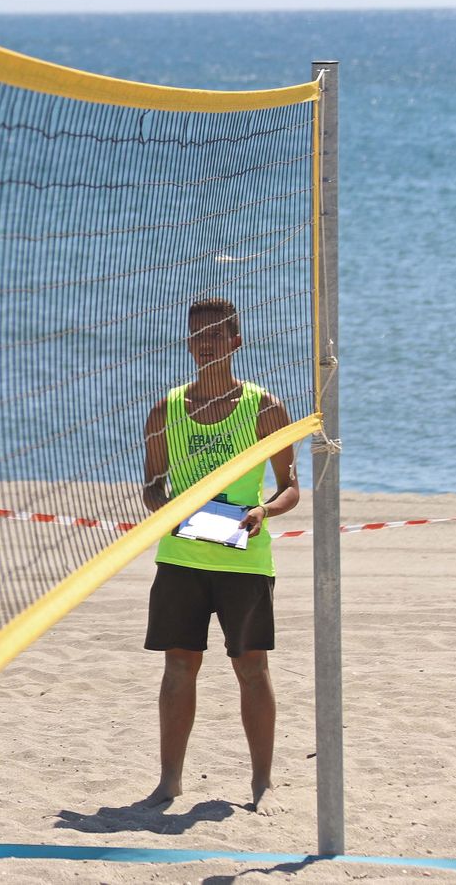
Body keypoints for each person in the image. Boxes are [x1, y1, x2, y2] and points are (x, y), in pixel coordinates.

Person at [140, 297, 298, 814]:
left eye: (214, 335)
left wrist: (264, 511)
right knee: (178, 668)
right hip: (181, 557)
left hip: (243, 559)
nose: (204, 344)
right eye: (197, 335)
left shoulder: (265, 408)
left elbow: (290, 488)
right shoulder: (165, 410)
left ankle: (263, 784)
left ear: (235, 342)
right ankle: (169, 782)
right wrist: (166, 510)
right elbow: (153, 485)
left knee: (252, 668)